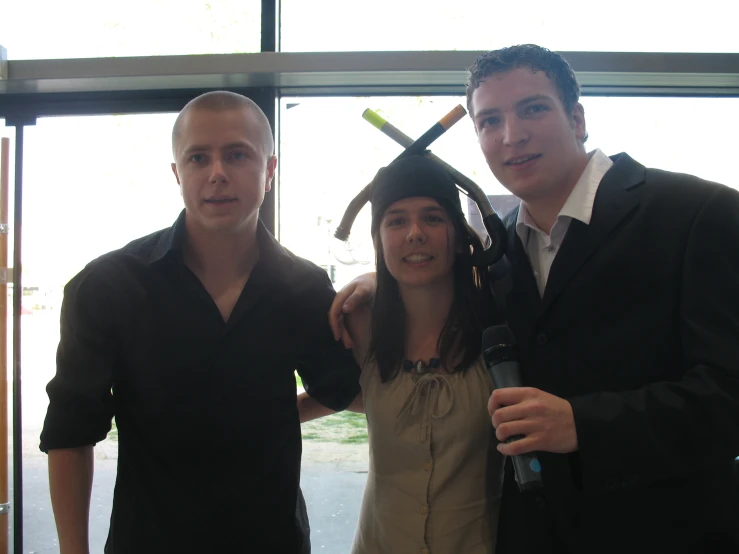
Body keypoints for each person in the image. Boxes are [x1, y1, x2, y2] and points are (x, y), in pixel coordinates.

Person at [330, 45, 739, 553]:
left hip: (666, 533)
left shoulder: (698, 215)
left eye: (533, 109)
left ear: (577, 117)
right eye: (489, 120)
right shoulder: (498, 251)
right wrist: (380, 280)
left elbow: (729, 395)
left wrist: (584, 424)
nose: (511, 134)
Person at [39, 91, 361, 554]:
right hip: (148, 542)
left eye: (236, 154)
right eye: (198, 157)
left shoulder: (303, 287)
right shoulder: (107, 286)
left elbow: (346, 389)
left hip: (272, 542)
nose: (217, 173)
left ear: (269, 171)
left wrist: (379, 291)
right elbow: (70, 432)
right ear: (177, 174)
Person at [299, 154, 505, 553]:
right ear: (378, 239)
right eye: (396, 220)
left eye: (432, 218)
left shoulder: (497, 330)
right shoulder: (358, 324)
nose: (414, 233)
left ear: (459, 238)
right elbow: (344, 395)